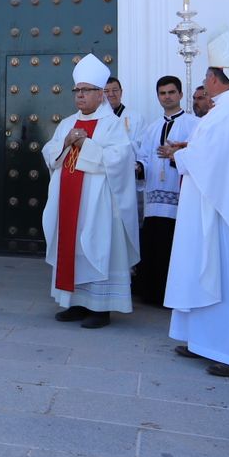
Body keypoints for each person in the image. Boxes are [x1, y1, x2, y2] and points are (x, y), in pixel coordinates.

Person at [165, 29, 229, 374]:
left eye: (208, 75)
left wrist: (182, 156)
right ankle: (204, 341)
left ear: (216, 78)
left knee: (224, 273)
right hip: (212, 199)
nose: (205, 81)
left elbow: (210, 157)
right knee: (209, 270)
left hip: (222, 208)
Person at [41, 53, 138, 328]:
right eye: (77, 91)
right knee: (72, 248)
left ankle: (100, 307)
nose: (80, 96)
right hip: (69, 199)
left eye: (86, 91)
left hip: (99, 203)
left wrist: (86, 146)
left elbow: (120, 159)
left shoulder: (112, 124)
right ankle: (73, 302)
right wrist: (65, 144)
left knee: (96, 246)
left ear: (101, 95)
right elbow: (50, 151)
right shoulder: (67, 123)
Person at [132, 75, 198, 306]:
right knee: (153, 245)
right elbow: (144, 157)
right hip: (154, 198)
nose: (167, 97)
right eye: (162, 93)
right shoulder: (152, 128)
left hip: (179, 198)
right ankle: (151, 293)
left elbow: (198, 158)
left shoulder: (194, 125)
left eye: (171, 92)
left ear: (180, 94)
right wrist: (139, 167)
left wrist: (174, 157)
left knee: (173, 247)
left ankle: (173, 295)